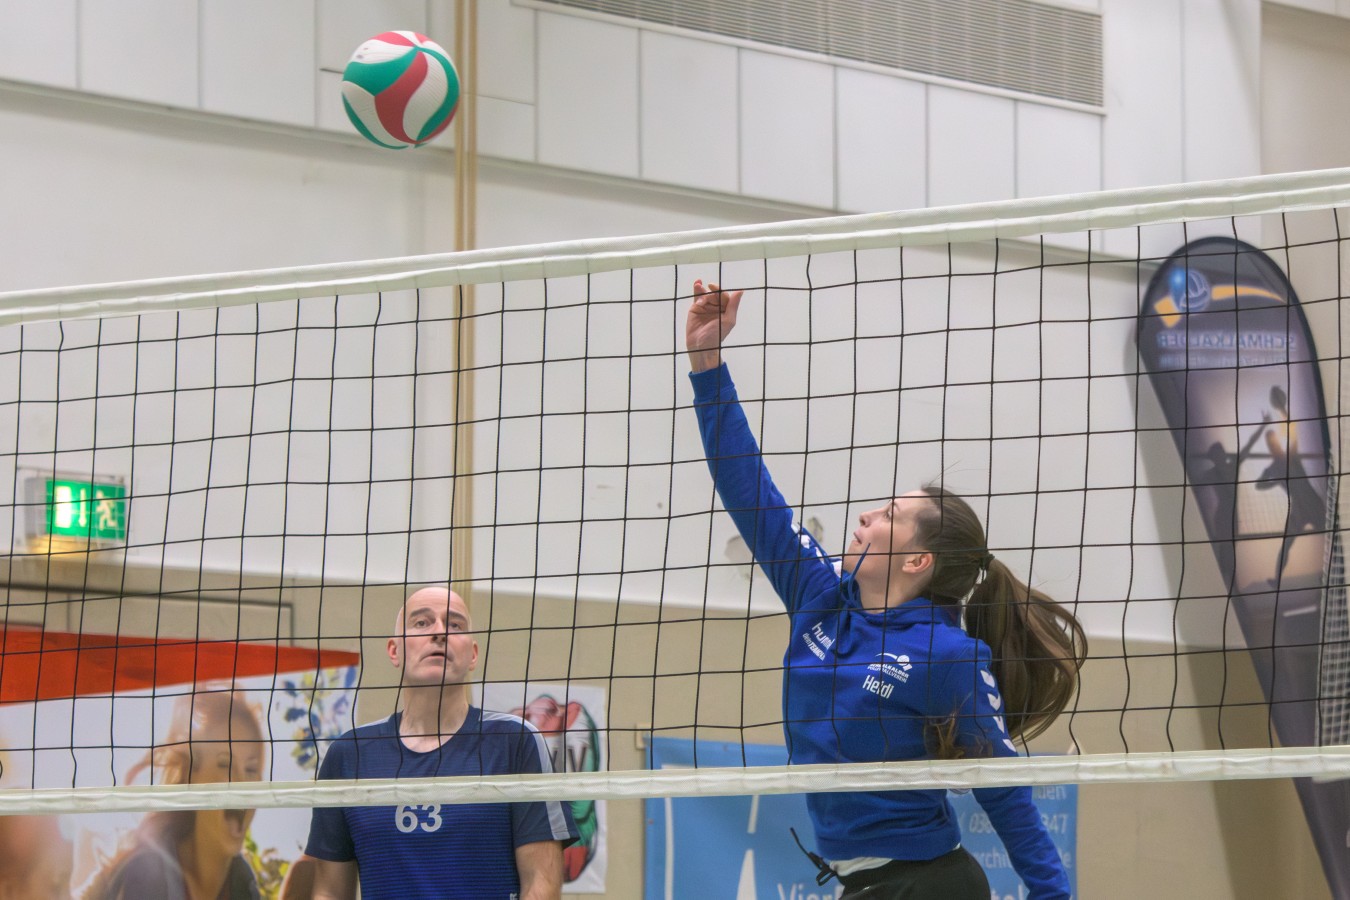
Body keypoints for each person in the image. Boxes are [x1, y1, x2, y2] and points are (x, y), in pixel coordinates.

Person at [685, 280, 1087, 899]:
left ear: (918, 559)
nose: (866, 515)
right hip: (861, 885)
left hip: (930, 885)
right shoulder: (820, 595)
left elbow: (1005, 791)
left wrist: (1052, 895)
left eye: (889, 515)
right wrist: (707, 363)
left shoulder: (947, 656)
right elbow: (749, 489)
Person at [305, 587, 578, 900]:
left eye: (455, 624)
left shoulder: (515, 741)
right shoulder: (349, 755)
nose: (439, 632)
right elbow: (329, 892)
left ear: (472, 654)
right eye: (421, 623)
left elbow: (541, 885)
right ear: (394, 651)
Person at [82, 689, 266, 900]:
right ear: (192, 777)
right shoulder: (146, 873)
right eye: (225, 764)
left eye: (251, 769)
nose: (242, 783)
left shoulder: (244, 887)